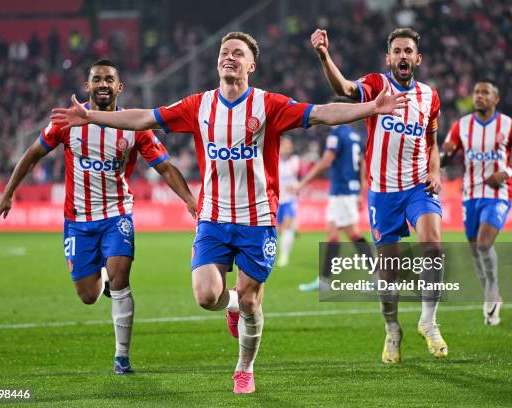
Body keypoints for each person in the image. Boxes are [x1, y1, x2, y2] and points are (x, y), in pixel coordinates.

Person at [51, 32, 408, 393]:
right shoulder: (198, 105)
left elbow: (321, 113)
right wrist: (90, 116)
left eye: (238, 53)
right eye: (225, 52)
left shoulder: (268, 105)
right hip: (214, 220)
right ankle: (230, 303)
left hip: (257, 221)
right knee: (207, 296)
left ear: (251, 65)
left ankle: (244, 368)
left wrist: (370, 108)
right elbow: (145, 117)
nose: (230, 57)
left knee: (253, 301)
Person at [0, 59, 197, 374]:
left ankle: (121, 357)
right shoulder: (67, 123)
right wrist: (8, 192)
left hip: (117, 214)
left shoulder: (134, 126)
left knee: (120, 279)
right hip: (78, 220)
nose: (103, 84)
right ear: (87, 86)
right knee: (87, 296)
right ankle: (100, 283)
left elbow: (165, 167)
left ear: (120, 87)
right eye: (97, 80)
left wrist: (188, 199)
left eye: (109, 79)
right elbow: (32, 153)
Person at [311, 27, 447, 363]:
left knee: (434, 245)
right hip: (383, 192)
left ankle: (428, 321)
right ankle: (392, 329)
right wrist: (324, 56)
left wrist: (435, 170)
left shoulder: (430, 96)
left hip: (418, 186)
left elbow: (432, 143)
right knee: (389, 272)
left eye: (408, 51)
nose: (403, 56)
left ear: (418, 58)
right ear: (389, 58)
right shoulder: (375, 84)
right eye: (397, 51)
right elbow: (343, 89)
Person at [442, 80, 512, 325]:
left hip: (498, 193)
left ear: (496, 98)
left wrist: (507, 173)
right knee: (474, 249)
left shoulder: (508, 125)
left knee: (483, 243)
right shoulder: (461, 126)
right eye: (476, 92)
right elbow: (444, 160)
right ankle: (491, 292)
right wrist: (445, 154)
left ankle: (492, 292)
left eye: (485, 92)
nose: (479, 96)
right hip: (470, 194)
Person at [296, 122, 372, 292]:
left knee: (353, 233)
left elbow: (326, 160)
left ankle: (378, 276)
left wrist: (303, 183)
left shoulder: (336, 134)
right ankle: (324, 280)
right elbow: (362, 165)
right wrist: (360, 190)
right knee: (332, 234)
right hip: (345, 190)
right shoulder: (355, 136)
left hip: (342, 191)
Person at [276, 137, 301, 267]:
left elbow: (297, 177)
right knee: (279, 230)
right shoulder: (275, 161)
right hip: (278, 200)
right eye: (283, 146)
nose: (286, 148)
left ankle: (284, 257)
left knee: (286, 227)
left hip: (290, 200)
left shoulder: (295, 161)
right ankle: (294, 227)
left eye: (288, 146)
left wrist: (296, 186)